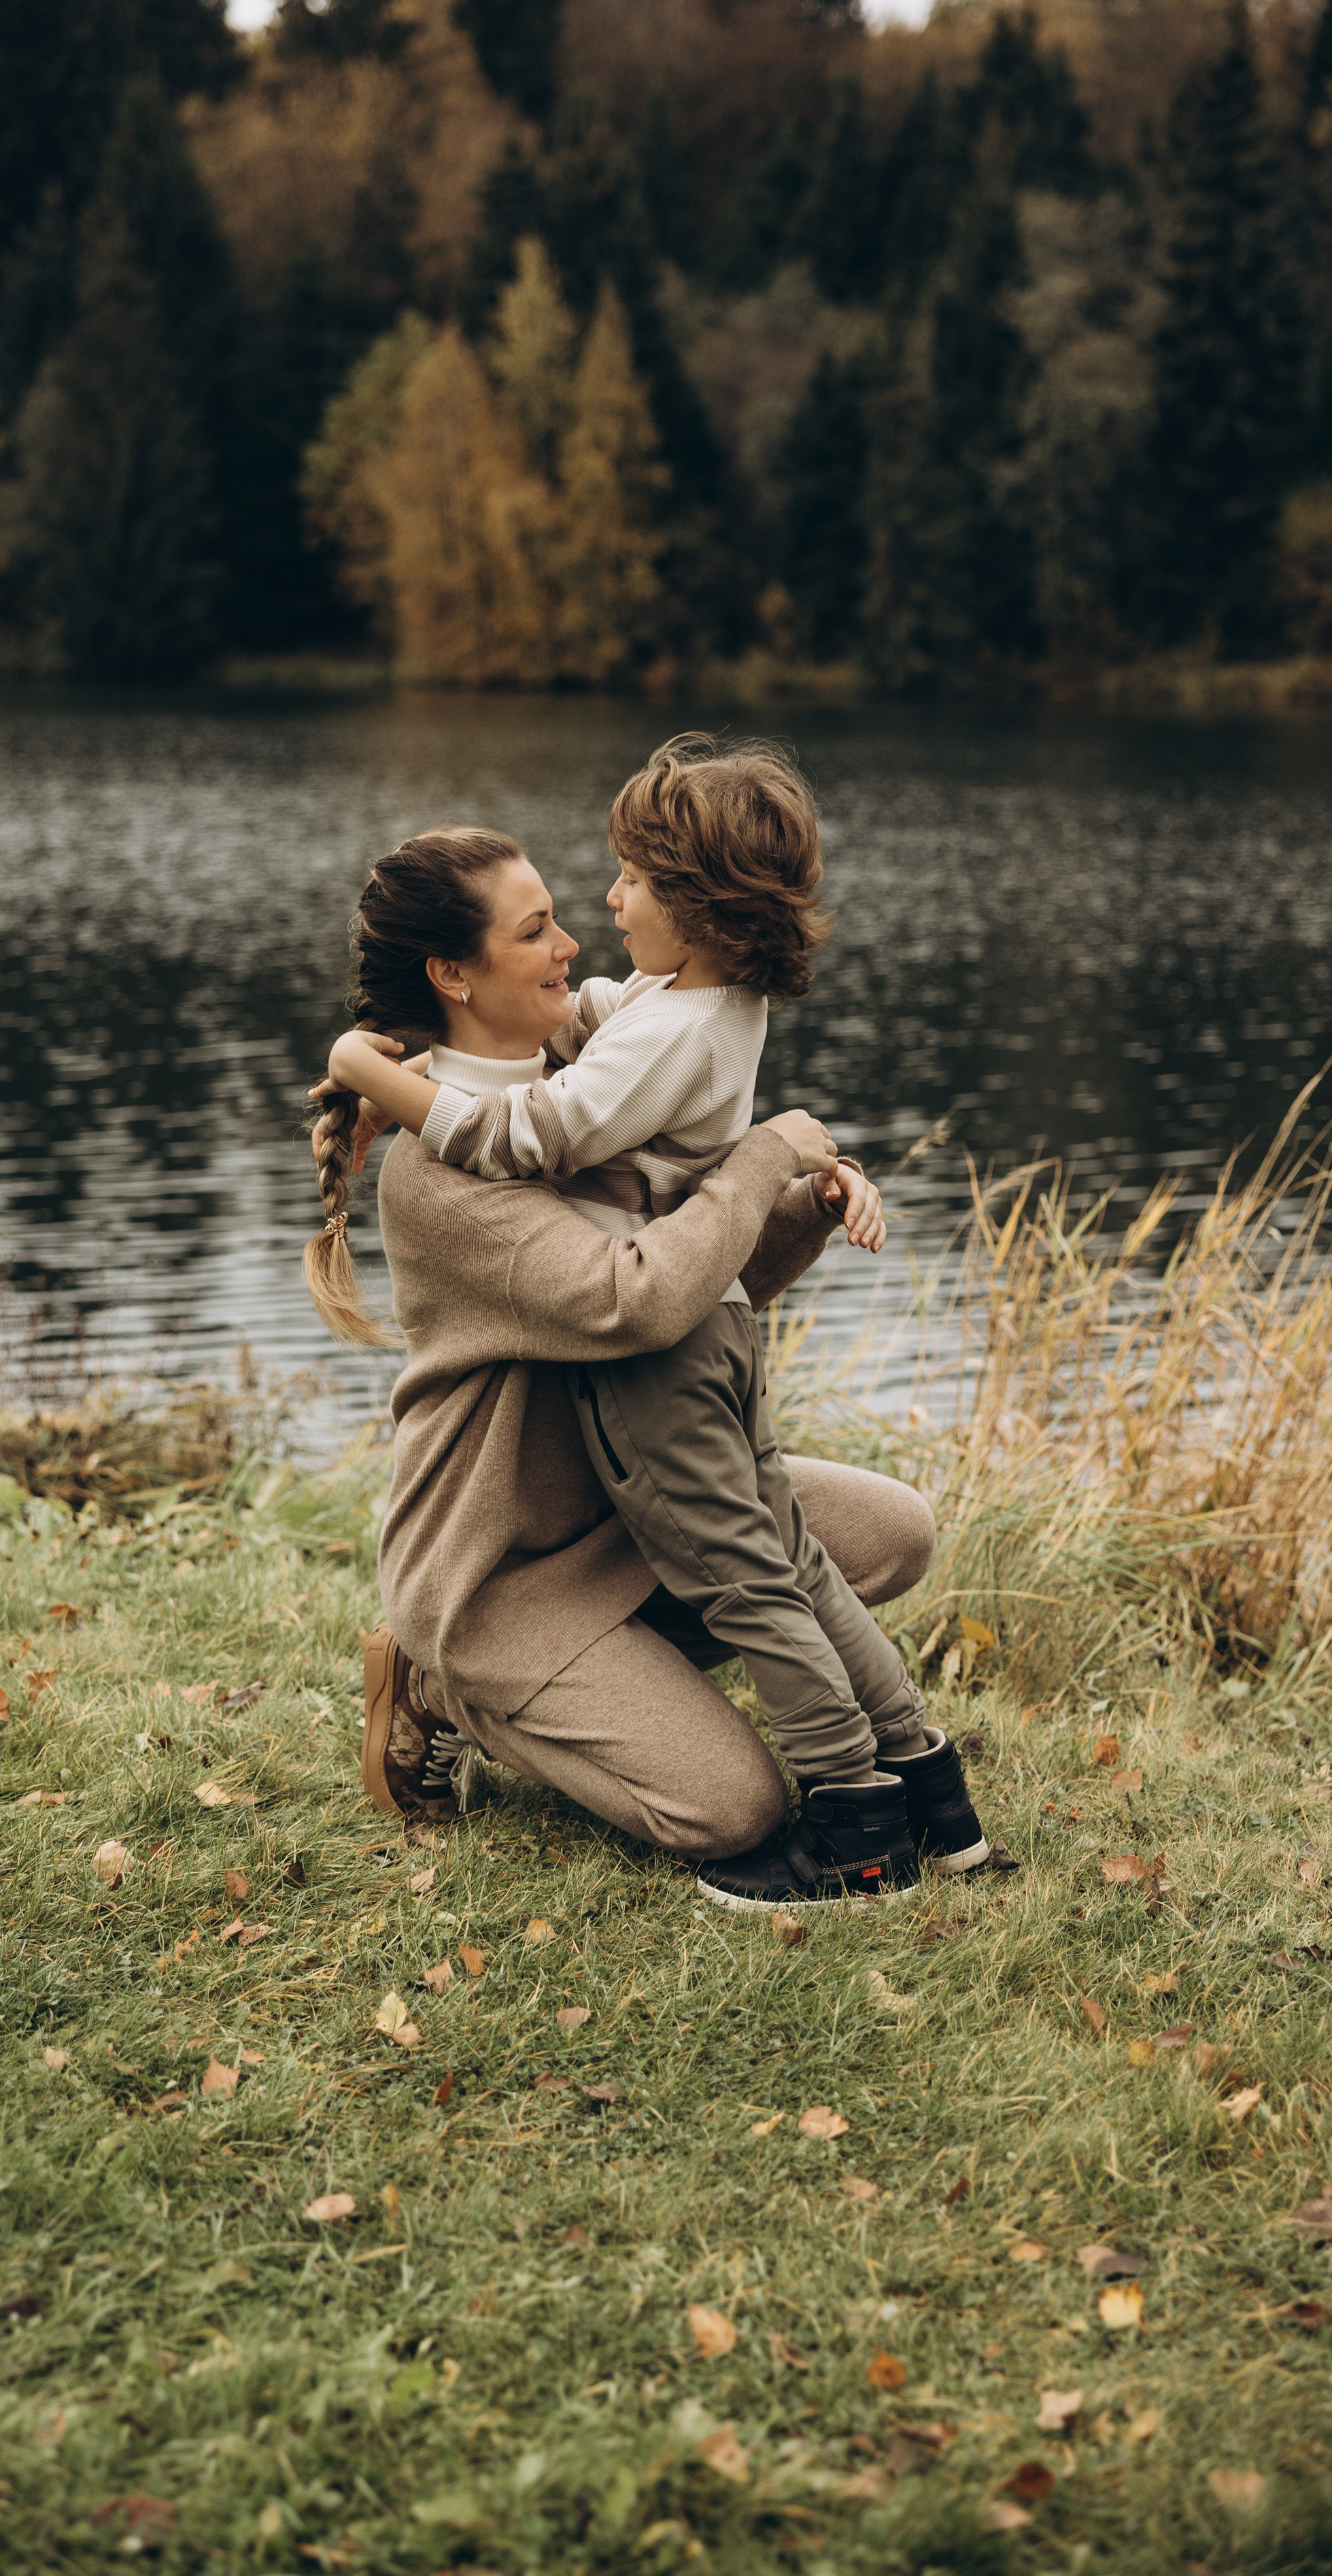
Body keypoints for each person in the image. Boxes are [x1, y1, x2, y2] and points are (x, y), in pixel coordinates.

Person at [320, 748, 986, 1905]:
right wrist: (768, 1149)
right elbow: (639, 1301)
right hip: (505, 1567)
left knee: (892, 1532)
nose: (574, 942)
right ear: (456, 975)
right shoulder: (441, 1172)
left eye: (572, 913)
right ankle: (451, 1687)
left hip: (645, 1498)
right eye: (535, 932)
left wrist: (806, 1208)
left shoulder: (603, 1059)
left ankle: (611, 1683)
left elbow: (703, 1296)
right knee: (735, 1809)